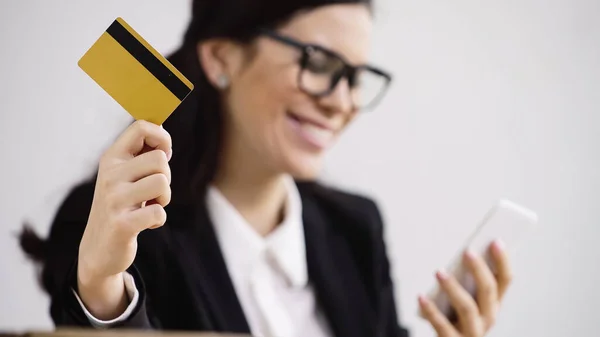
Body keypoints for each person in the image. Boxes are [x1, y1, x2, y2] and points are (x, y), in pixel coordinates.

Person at [19, 0, 513, 336]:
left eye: (357, 77)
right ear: (221, 59)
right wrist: (103, 288)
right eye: (319, 63)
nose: (342, 102)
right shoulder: (122, 227)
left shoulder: (356, 229)